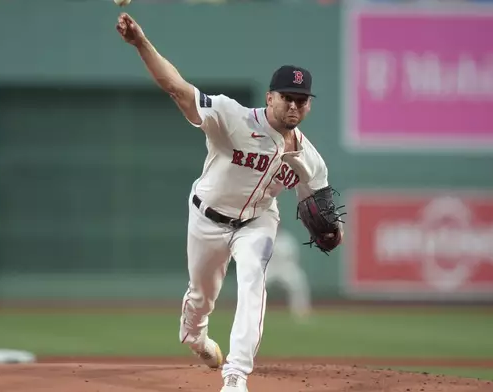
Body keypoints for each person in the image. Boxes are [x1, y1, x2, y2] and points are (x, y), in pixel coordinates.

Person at [116, 12, 343, 392]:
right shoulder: (232, 117)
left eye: (302, 101)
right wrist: (141, 43)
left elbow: (320, 208)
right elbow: (177, 87)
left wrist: (335, 232)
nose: (294, 106)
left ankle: (235, 375)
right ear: (270, 97)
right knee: (201, 296)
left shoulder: (311, 160)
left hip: (257, 221)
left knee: (254, 278)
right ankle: (195, 337)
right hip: (207, 216)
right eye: (288, 97)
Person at [265, 226, 312, 322]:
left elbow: (294, 257)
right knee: (254, 283)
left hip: (285, 268)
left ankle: (301, 312)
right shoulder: (264, 238)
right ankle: (250, 313)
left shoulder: (287, 239)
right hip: (269, 268)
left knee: (299, 280)